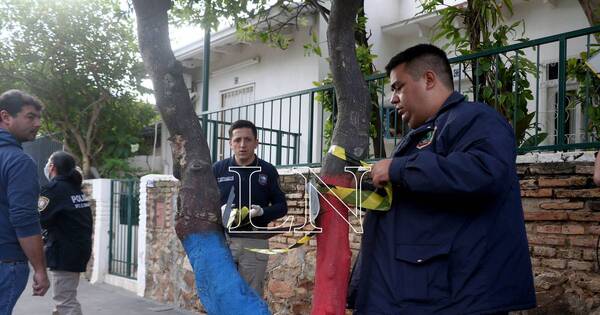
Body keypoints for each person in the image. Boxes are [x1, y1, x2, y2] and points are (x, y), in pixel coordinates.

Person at [354, 44, 536, 314]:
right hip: (417, 294)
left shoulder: (476, 119)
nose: (393, 99)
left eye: (398, 87)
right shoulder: (423, 133)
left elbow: (484, 171)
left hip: (456, 299)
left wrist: (399, 169)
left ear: (429, 79)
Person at [212, 120, 288, 296]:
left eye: (248, 139)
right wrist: (218, 212)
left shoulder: (267, 170)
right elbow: (205, 205)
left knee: (251, 295)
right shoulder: (218, 170)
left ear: (256, 142)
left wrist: (262, 212)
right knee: (222, 293)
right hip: (223, 241)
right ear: (230, 143)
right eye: (237, 140)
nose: (242, 145)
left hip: (255, 241)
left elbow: (282, 207)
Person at [0, 89, 49, 314]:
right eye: (30, 117)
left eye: (39, 117)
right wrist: (40, 269)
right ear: (6, 117)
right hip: (7, 261)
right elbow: (24, 218)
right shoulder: (19, 161)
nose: (38, 123)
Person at [39, 151, 92, 315]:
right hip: (76, 250)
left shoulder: (53, 190)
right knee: (63, 299)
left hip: (65, 253)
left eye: (49, 163)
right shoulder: (74, 189)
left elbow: (39, 219)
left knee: (65, 302)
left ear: (52, 167)